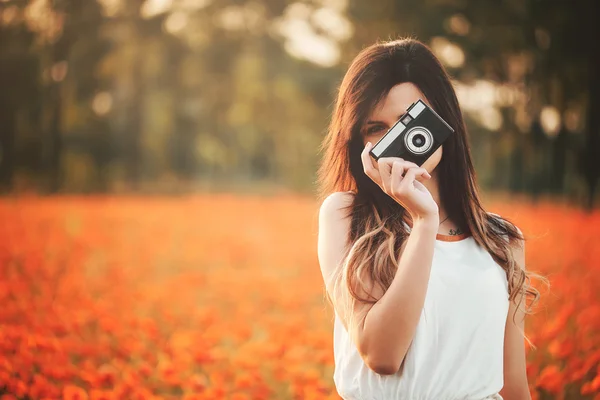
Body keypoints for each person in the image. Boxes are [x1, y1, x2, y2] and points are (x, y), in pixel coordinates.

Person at [316, 37, 548, 400]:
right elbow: (381, 354)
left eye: (410, 119)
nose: (397, 140)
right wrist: (423, 220)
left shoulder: (502, 239)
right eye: (376, 129)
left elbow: (514, 385)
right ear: (360, 143)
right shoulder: (346, 215)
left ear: (442, 120)